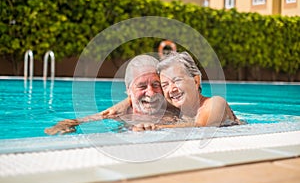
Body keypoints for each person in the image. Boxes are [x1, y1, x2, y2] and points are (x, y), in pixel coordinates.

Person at [44, 55, 180, 135]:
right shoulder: (118, 114)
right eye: (142, 86)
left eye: (156, 85)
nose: (150, 93)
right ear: (129, 90)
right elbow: (71, 122)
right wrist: (63, 126)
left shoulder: (174, 109)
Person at [155, 51, 242, 128]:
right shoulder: (173, 113)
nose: (171, 89)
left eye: (177, 80)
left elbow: (200, 128)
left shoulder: (215, 104)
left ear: (196, 81)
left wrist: (155, 128)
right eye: (165, 85)